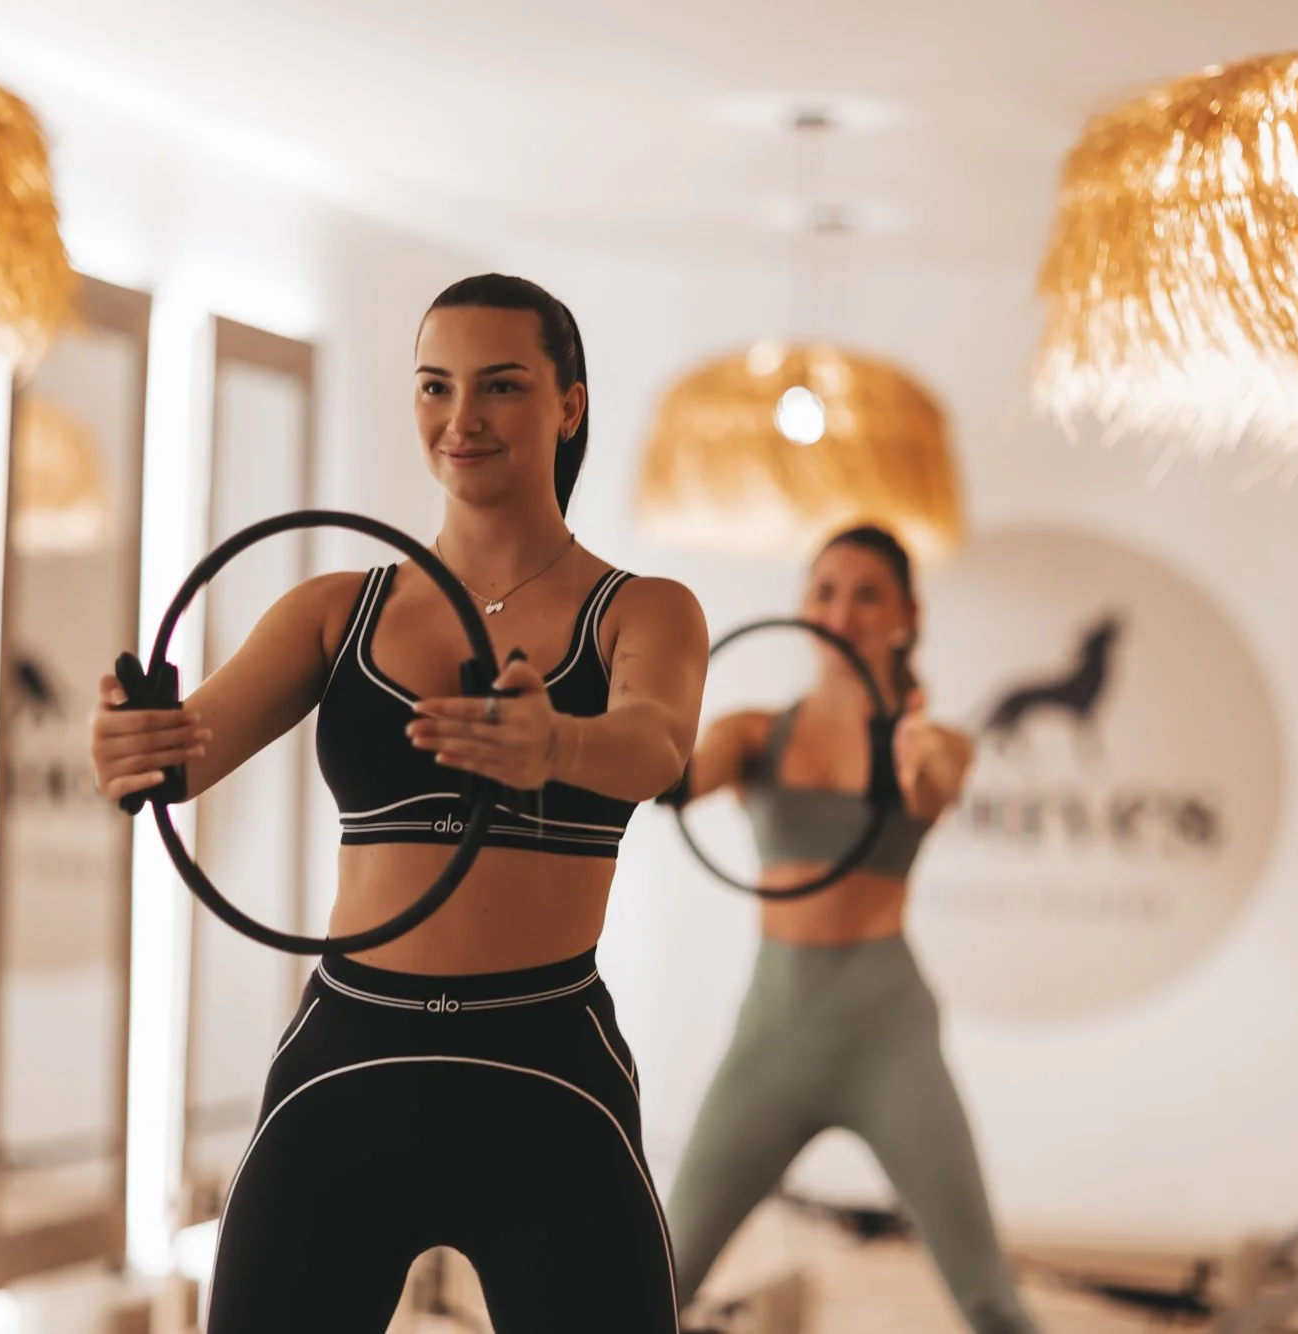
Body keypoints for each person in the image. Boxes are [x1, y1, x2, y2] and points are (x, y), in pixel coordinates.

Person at [89, 274, 707, 1332]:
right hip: (346, 1063)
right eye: (435, 386)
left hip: (549, 1075)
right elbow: (178, 760)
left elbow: (654, 744)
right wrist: (127, 745)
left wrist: (554, 741)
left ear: (569, 404)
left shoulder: (641, 612)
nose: (461, 418)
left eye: (500, 385)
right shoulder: (334, 611)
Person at [663, 524, 1040, 1334]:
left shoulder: (938, 743)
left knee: (989, 1300)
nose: (842, 613)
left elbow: (935, 788)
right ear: (803, 603)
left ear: (908, 615)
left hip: (887, 1034)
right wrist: (602, 733)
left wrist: (913, 760)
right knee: (658, 1279)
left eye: (868, 595)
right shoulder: (753, 733)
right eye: (825, 591)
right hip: (773, 1032)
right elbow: (672, 777)